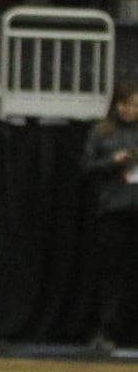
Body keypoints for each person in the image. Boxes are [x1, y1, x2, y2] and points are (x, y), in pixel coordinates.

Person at [80, 80, 138, 352]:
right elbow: (86, 168)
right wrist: (113, 161)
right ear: (116, 105)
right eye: (125, 104)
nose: (130, 110)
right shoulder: (102, 133)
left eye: (135, 105)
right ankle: (107, 331)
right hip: (114, 210)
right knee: (113, 274)